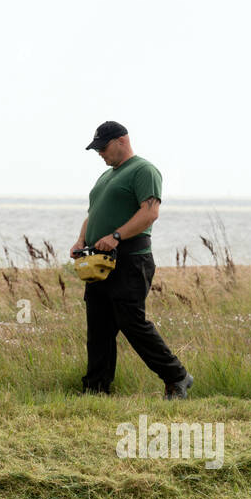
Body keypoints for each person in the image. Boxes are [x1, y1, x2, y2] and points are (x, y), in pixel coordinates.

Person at [70, 121, 193, 399]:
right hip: (99, 261)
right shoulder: (105, 177)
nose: (100, 153)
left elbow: (150, 213)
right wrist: (81, 241)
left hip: (130, 259)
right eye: (97, 148)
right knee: (98, 326)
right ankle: (96, 389)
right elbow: (93, 214)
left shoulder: (143, 170)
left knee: (132, 323)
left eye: (103, 147)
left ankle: (177, 377)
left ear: (121, 141)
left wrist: (116, 235)